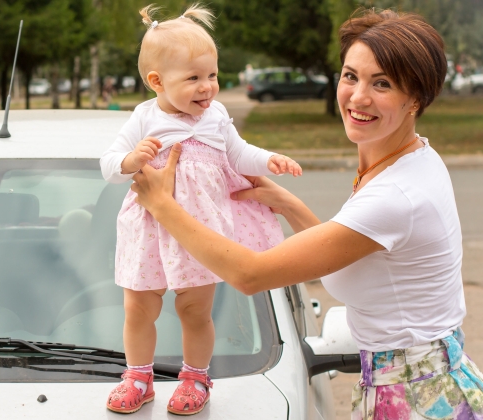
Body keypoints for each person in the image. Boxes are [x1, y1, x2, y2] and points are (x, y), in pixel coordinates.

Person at [130, 9, 483, 419]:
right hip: (425, 380)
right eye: (350, 76)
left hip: (416, 397)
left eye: (382, 84)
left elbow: (250, 275)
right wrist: (289, 205)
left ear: (416, 99)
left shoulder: (396, 195)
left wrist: (162, 206)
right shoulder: (412, 157)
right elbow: (342, 267)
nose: (358, 96)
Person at [100, 4, 302, 415]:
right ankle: (138, 376)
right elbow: (109, 166)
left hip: (200, 232)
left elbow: (239, 154)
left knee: (194, 309)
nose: (207, 86)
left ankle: (195, 377)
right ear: (156, 81)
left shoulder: (217, 117)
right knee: (139, 307)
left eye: (211, 75)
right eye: (193, 78)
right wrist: (132, 160)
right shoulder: (144, 117)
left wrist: (269, 161)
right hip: (150, 230)